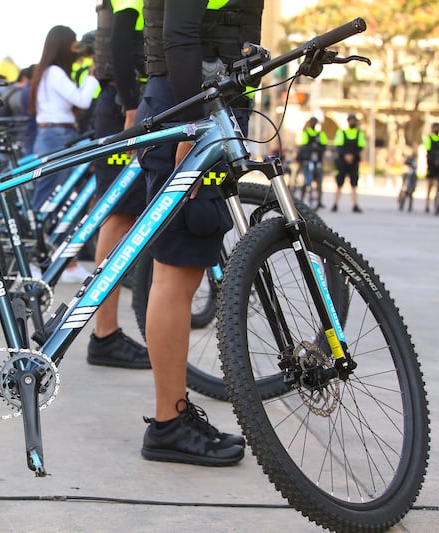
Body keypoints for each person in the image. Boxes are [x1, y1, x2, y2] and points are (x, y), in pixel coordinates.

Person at [136, 0, 263, 467]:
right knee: (180, 269)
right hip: (192, 105)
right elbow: (181, 31)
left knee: (182, 267)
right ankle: (169, 422)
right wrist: (193, 125)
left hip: (202, 101)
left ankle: (172, 418)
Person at [86, 0, 150, 369]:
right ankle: (105, 333)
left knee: (122, 214)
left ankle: (106, 332)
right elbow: (122, 38)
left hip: (126, 101)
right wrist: (130, 105)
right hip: (125, 104)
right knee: (119, 215)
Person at [28, 26, 99, 283]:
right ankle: (38, 260)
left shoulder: (46, 72)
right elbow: (82, 101)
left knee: (55, 200)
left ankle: (61, 261)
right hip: (58, 137)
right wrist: (92, 75)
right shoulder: (55, 72)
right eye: (73, 44)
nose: (77, 49)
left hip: (54, 136)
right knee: (54, 200)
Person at [331, 113, 366, 213]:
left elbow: (361, 146)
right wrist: (346, 155)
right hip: (342, 162)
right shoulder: (342, 132)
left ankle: (355, 205)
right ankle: (335, 204)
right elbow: (338, 145)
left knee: (354, 184)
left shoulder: (359, 133)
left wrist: (352, 156)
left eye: (354, 120)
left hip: (354, 162)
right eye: (351, 120)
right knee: (339, 184)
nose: (352, 122)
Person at [295, 116, 328, 207]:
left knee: (319, 180)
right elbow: (303, 145)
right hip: (307, 160)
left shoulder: (320, 134)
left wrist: (318, 148)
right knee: (307, 180)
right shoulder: (305, 133)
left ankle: (319, 200)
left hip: (317, 161)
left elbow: (324, 145)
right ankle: (302, 198)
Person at [423, 121, 439, 214]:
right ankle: (427, 204)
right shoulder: (429, 139)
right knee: (430, 185)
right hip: (431, 165)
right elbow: (427, 150)